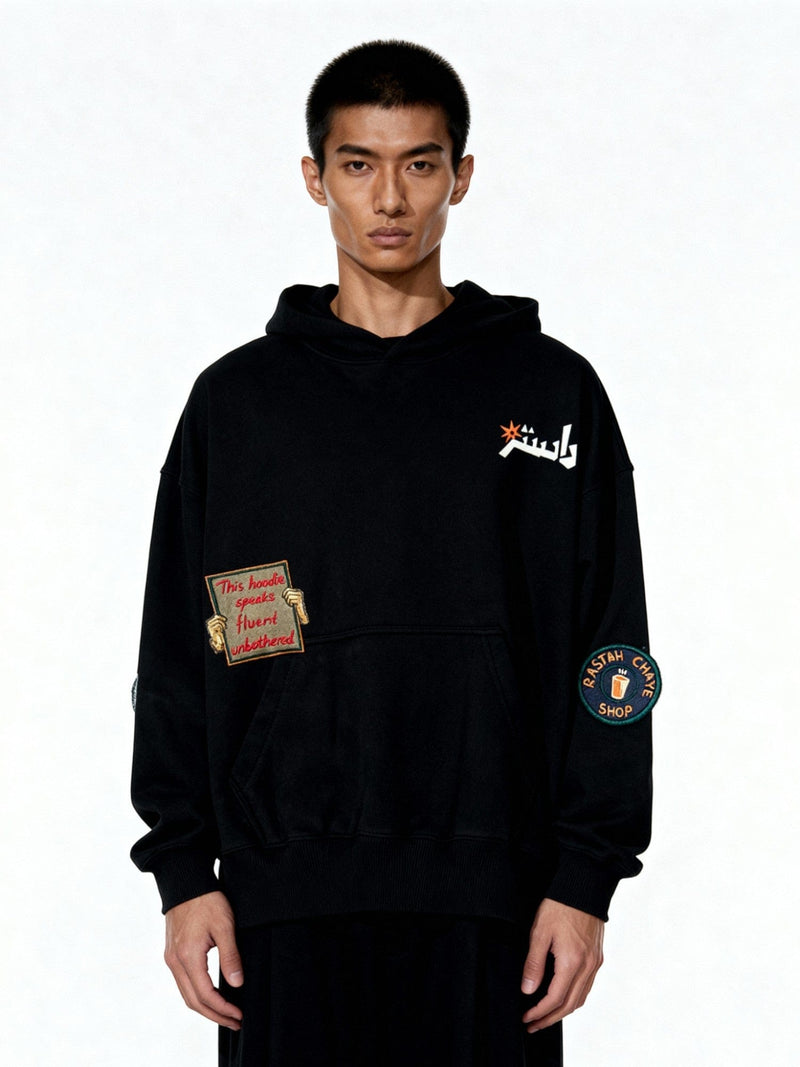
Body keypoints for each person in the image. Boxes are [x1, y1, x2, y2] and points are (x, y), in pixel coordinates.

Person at [129, 38, 659, 1067]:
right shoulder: (240, 407)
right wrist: (184, 871)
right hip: (282, 902)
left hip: (499, 905)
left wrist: (585, 876)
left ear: (460, 175)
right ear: (314, 177)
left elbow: (614, 653)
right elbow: (177, 652)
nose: (389, 198)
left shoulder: (551, 393)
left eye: (419, 163)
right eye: (358, 164)